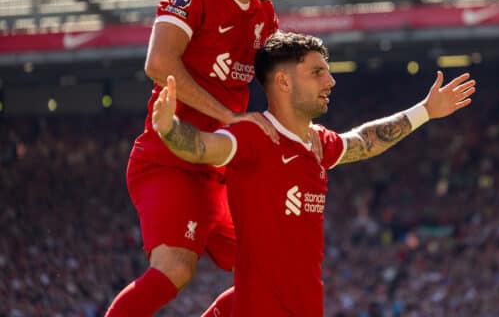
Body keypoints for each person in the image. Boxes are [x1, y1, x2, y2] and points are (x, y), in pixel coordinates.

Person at [152, 31, 476, 316]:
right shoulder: (255, 136)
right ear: (283, 82)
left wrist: (426, 111)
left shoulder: (318, 143)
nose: (330, 81)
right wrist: (169, 128)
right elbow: (203, 147)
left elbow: (365, 141)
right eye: (317, 72)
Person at [105, 0, 300, 315]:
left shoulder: (265, 15)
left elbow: (279, 86)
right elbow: (159, 63)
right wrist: (230, 117)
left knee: (284, 273)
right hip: (170, 161)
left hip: (220, 169)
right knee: (175, 268)